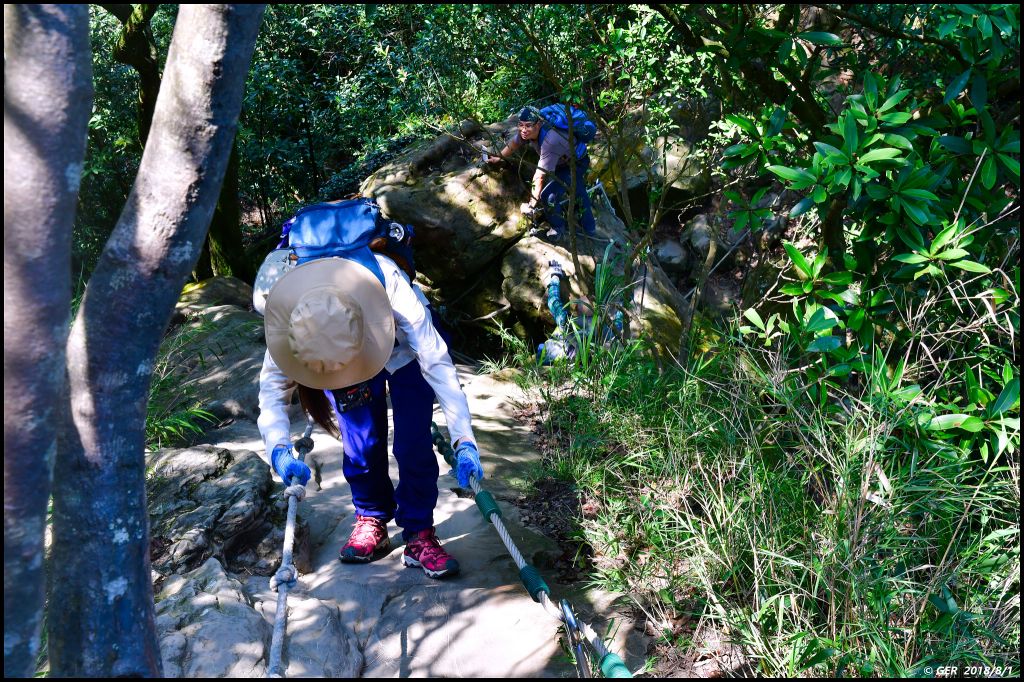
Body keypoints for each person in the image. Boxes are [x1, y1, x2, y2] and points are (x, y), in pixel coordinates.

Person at [256, 235, 484, 579]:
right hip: (341, 359)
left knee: (413, 442)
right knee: (360, 443)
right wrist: (279, 450)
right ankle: (371, 518)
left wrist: (463, 442)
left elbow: (438, 366)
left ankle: (419, 533)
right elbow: (271, 392)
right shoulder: (292, 317)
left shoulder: (390, 286)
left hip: (405, 353)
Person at [487, 107, 597, 242]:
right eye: (520, 125)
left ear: (538, 124)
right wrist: (499, 157)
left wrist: (531, 205)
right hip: (563, 162)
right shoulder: (528, 133)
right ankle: (589, 226)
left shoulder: (551, 141)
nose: (523, 130)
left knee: (548, 196)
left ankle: (558, 228)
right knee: (578, 190)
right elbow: (515, 142)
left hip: (576, 163)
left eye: (528, 126)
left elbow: (539, 176)